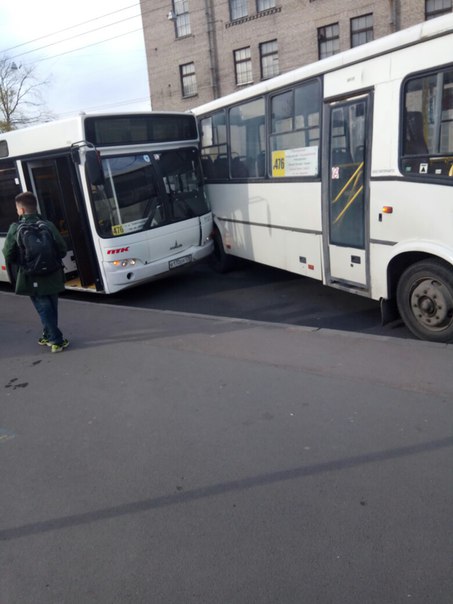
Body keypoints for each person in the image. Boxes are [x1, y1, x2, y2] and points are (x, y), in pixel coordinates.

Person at [2, 191, 69, 353]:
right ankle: (47, 334)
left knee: (43, 307)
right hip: (53, 273)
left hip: (31, 276)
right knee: (51, 307)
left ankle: (56, 340)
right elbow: (62, 249)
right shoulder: (48, 225)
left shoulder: (15, 228)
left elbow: (7, 253)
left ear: (22, 210)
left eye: (17, 209)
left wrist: (24, 263)